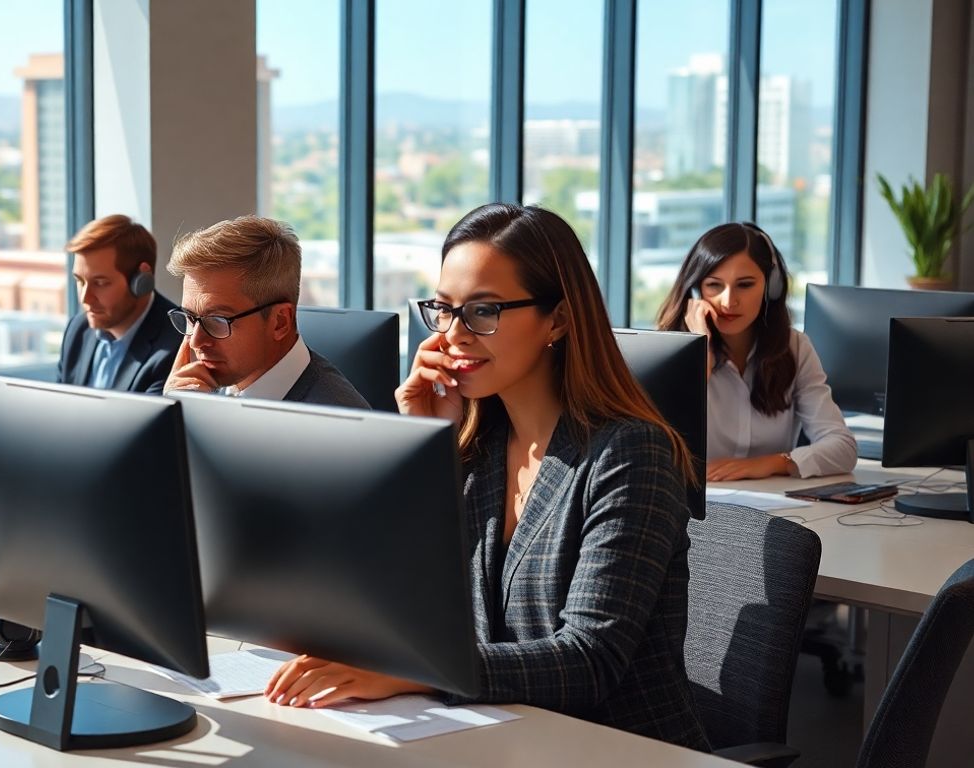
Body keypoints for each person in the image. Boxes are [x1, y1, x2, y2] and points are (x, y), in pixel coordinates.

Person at [263, 204, 710, 751]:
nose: (454, 335)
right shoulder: (479, 447)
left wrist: (413, 668)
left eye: (483, 312)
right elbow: (401, 604)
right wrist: (428, 455)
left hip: (618, 750)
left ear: (560, 320)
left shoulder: (631, 453)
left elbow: (590, 660)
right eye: (444, 310)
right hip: (500, 739)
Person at [654, 222, 856, 480]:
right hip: (695, 508)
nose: (728, 301)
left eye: (745, 284)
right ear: (696, 290)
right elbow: (658, 447)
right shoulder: (666, 352)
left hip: (772, 505)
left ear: (771, 288)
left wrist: (773, 463)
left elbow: (843, 448)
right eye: (714, 285)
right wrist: (699, 355)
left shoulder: (794, 348)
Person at [161, 215, 369, 408]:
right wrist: (177, 416)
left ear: (280, 322)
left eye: (218, 320)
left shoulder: (335, 427)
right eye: (190, 317)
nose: (196, 341)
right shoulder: (200, 392)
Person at [57, 214, 183, 394]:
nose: (85, 298)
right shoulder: (78, 329)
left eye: (100, 283)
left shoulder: (177, 344)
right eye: (80, 281)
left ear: (141, 280)